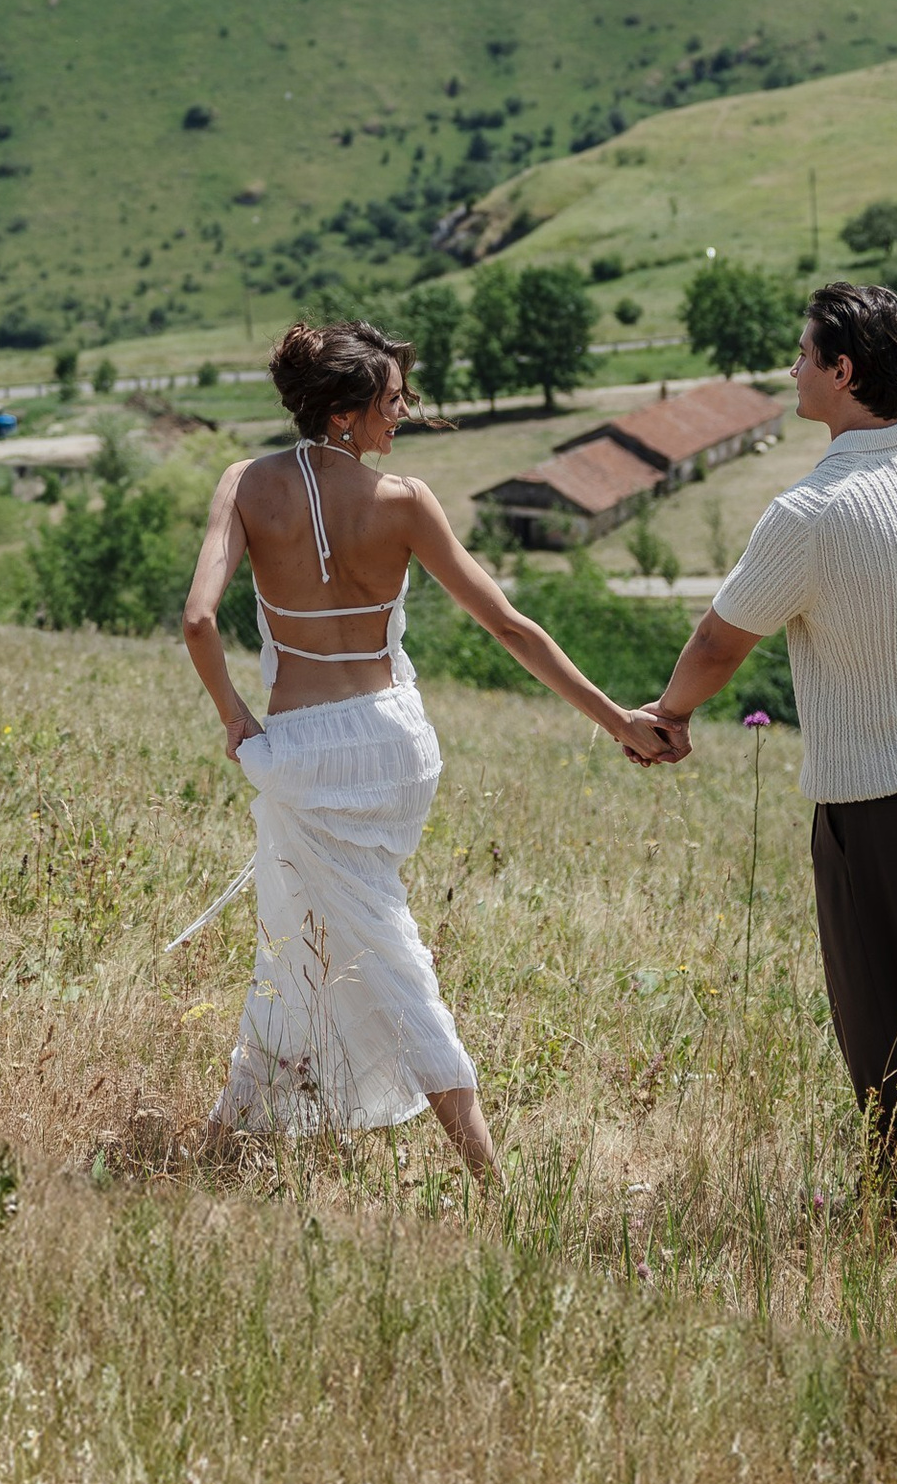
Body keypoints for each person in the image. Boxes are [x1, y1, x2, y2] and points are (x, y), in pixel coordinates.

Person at [182, 313, 667, 1179]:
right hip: (391, 744)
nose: (399, 416)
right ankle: (230, 1133)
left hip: (298, 751)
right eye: (390, 403)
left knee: (374, 946)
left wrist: (233, 717)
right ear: (343, 412)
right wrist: (616, 721)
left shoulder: (244, 485)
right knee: (301, 935)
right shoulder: (404, 503)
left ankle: (488, 1177)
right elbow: (511, 628)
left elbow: (198, 621)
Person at [632, 279, 897, 1207]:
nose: (792, 368)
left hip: (879, 800)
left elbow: (719, 641)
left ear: (843, 371)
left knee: (886, 1020)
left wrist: (669, 716)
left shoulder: (811, 513)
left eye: (804, 354)